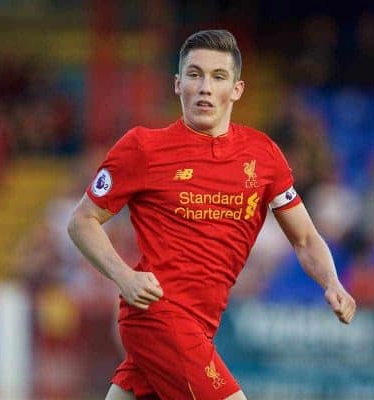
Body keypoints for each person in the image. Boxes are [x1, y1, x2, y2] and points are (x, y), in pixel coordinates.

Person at [68, 29, 356, 400]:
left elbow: (304, 238)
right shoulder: (143, 148)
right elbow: (82, 221)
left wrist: (332, 283)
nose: (205, 86)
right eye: (194, 74)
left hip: (203, 324)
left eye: (218, 77)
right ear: (177, 84)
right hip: (157, 314)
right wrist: (124, 277)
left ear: (236, 89)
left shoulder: (263, 155)